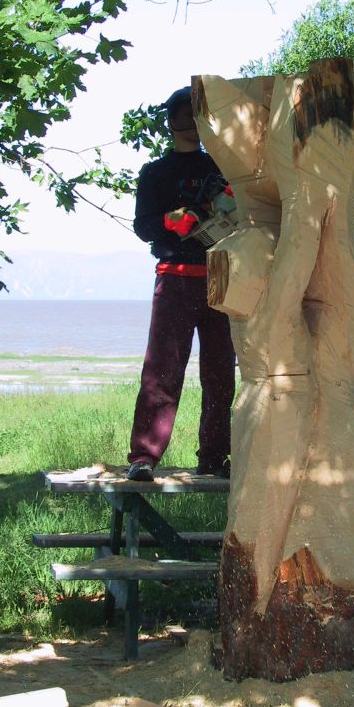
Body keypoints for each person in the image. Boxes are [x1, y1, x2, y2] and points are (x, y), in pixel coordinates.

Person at [127, 86, 235, 482]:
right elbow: (143, 227)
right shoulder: (155, 172)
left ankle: (216, 458)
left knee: (222, 374)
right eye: (184, 114)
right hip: (173, 279)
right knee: (162, 373)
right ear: (171, 121)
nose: (191, 121)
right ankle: (143, 457)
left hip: (222, 279)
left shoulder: (222, 168)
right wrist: (183, 218)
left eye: (198, 113)